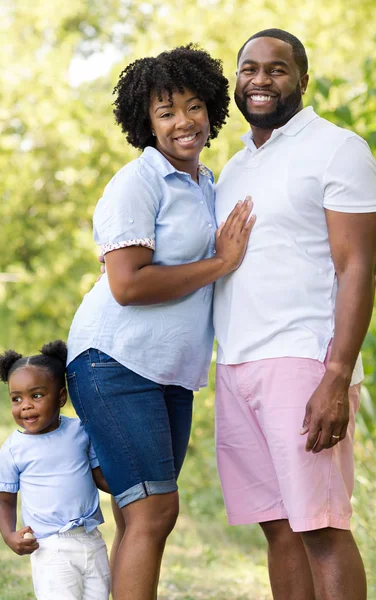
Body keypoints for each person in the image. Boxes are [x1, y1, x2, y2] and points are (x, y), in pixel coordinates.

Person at [66, 44, 255, 600]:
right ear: (145, 121)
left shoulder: (205, 183)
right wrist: (220, 263)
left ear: (213, 110)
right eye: (166, 111)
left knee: (141, 514)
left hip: (169, 370)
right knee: (155, 509)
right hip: (115, 359)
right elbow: (126, 284)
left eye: (194, 107)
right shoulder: (138, 181)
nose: (184, 122)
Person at [214, 28, 376, 600]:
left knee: (322, 527)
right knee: (278, 528)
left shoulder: (338, 148)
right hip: (236, 365)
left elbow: (358, 267)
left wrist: (336, 374)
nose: (260, 80)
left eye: (276, 69)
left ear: (302, 79)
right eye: (249, 68)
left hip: (304, 363)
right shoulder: (232, 168)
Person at [0, 340, 111, 600]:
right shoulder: (13, 450)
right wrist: (9, 536)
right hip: (50, 547)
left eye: (36, 395)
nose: (25, 405)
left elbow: (99, 476)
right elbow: (4, 502)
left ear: (61, 397)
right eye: (16, 398)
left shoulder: (80, 431)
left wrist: (132, 486)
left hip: (91, 539)